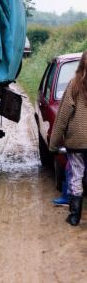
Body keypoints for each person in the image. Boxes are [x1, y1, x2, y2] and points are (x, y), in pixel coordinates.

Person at [50, 51, 87, 226]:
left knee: (76, 176)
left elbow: (63, 117)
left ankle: (74, 216)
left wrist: (54, 143)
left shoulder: (74, 85)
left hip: (77, 141)